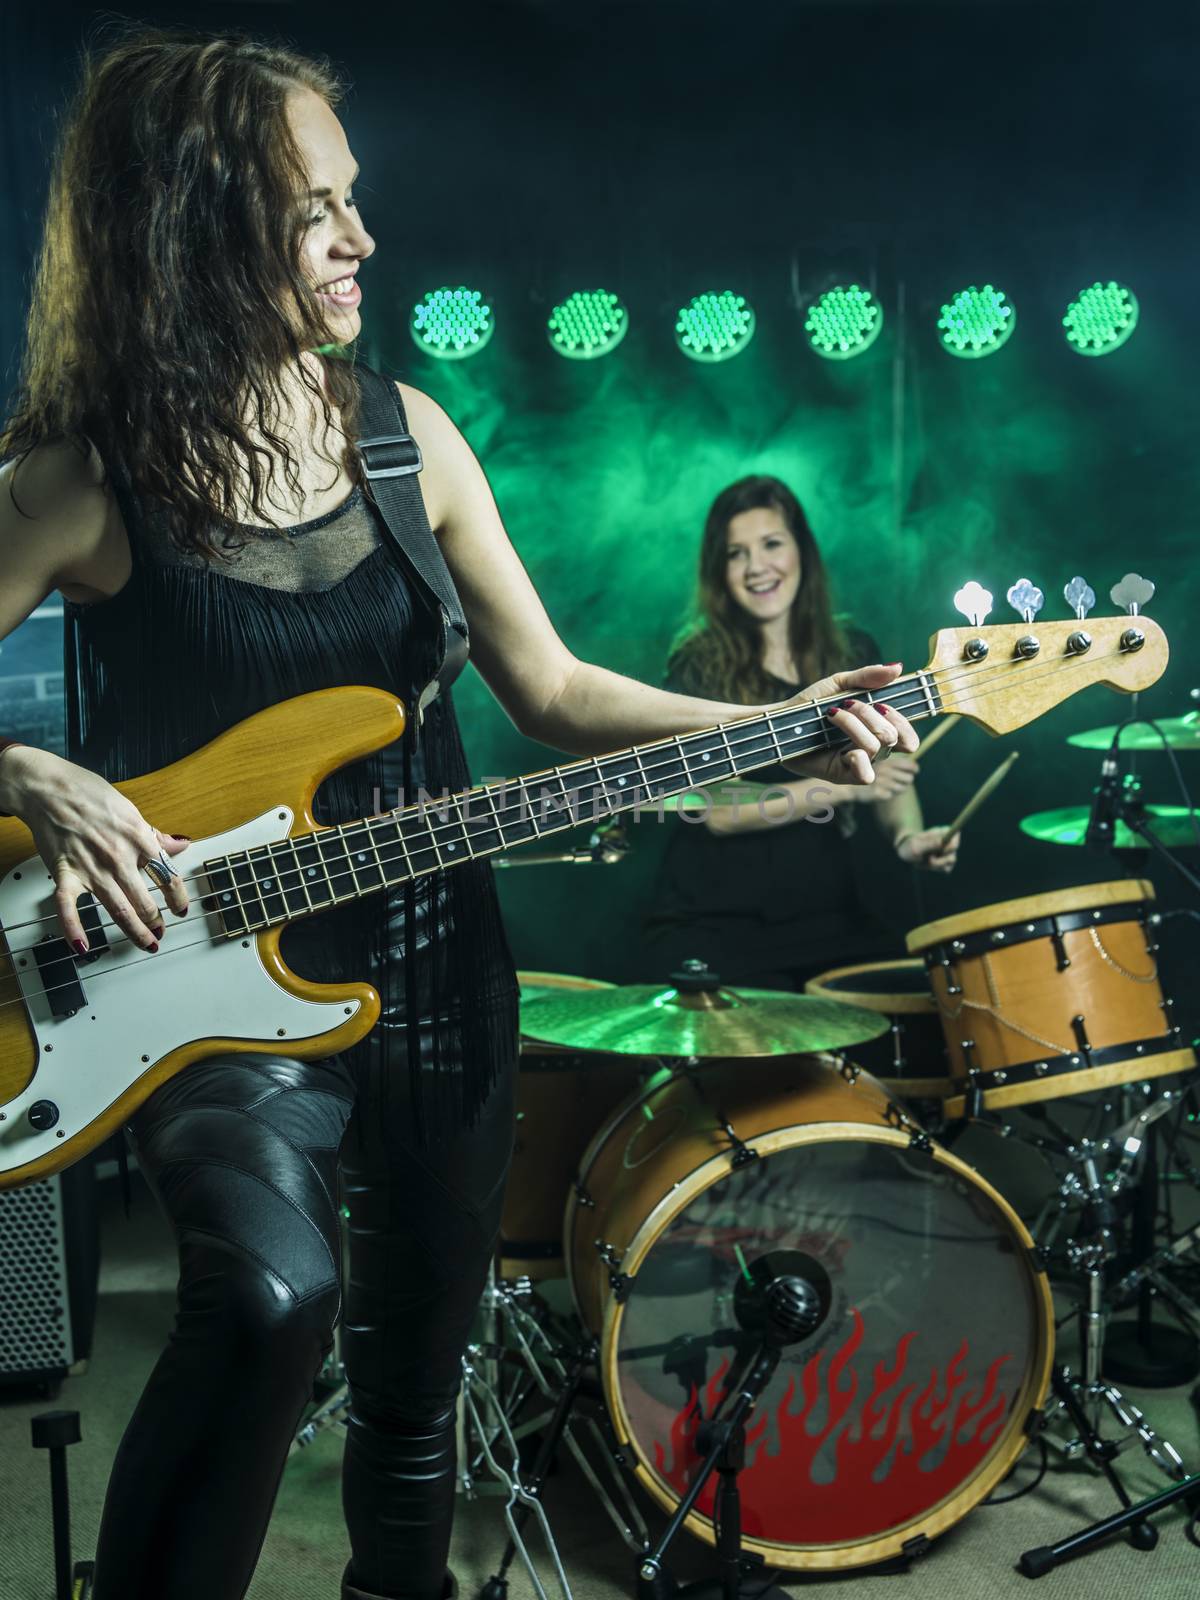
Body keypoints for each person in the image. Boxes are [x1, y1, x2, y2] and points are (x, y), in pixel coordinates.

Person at [0, 31, 919, 1600]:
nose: (363, 240)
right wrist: (20, 775)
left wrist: (779, 733)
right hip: (200, 997)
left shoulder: (403, 435)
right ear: (197, 224)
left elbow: (554, 690)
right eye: (315, 211)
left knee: (418, 1395)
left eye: (356, 201)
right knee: (275, 1303)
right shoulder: (79, 476)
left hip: (436, 972)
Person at [644, 475, 958, 992]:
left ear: (802, 552)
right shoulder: (696, 661)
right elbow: (715, 810)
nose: (756, 567)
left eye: (771, 544)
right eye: (735, 554)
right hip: (718, 922)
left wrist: (907, 836)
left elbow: (886, 768)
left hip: (829, 915)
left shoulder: (852, 647)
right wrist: (841, 788)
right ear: (718, 571)